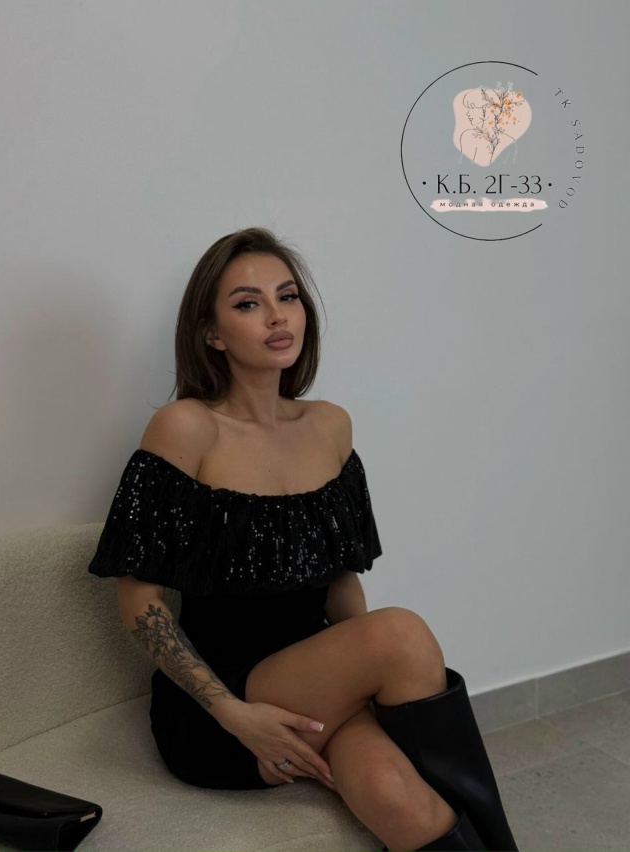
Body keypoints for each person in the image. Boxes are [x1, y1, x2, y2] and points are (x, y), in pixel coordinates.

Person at [88, 227, 518, 852]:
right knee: (400, 634)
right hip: (221, 705)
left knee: (399, 798)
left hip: (317, 686)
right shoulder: (186, 427)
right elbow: (139, 598)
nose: (277, 315)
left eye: (287, 296)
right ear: (212, 334)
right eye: (248, 303)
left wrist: (359, 685)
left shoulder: (330, 426)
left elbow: (342, 581)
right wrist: (234, 715)